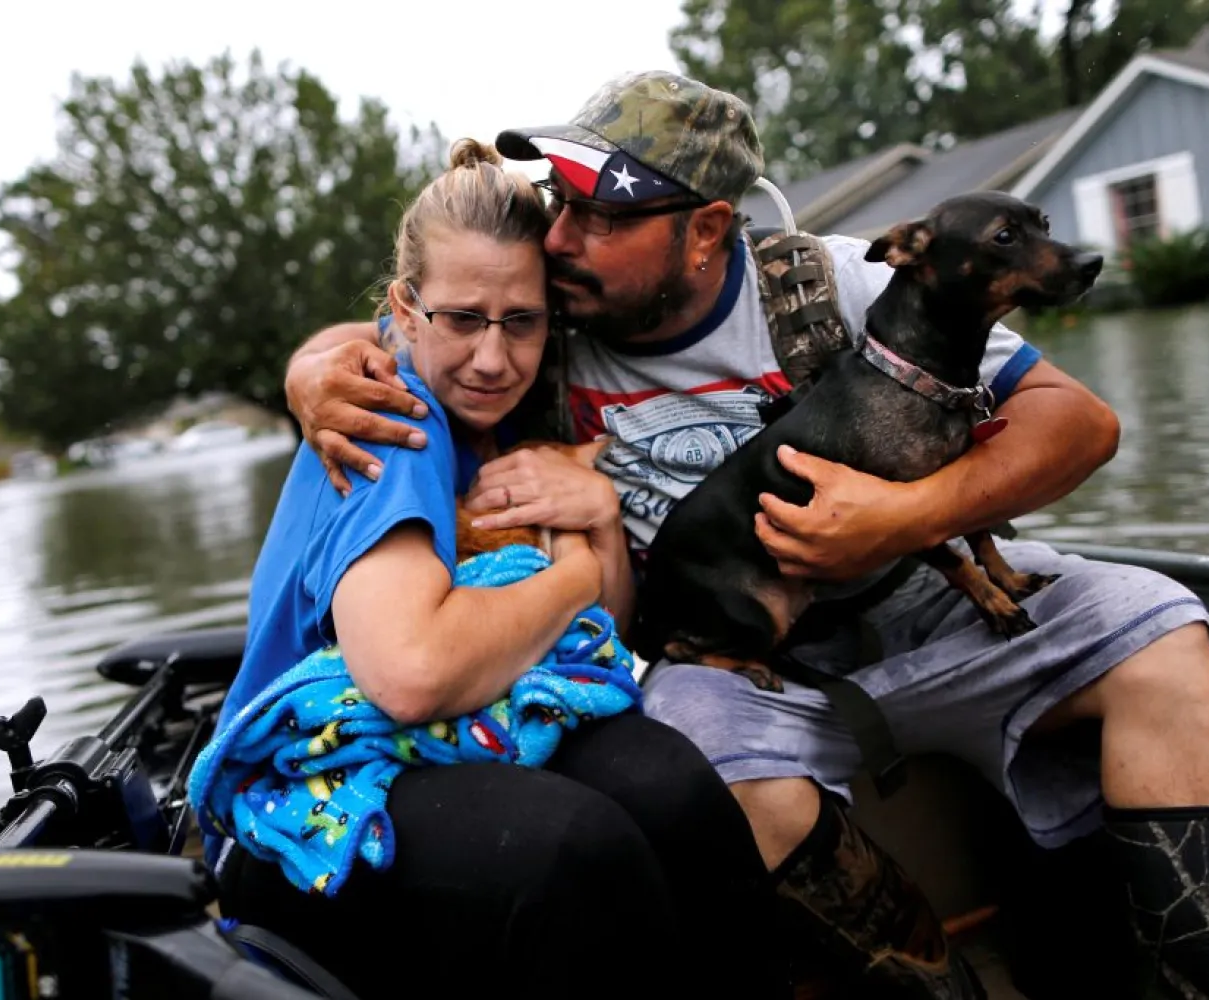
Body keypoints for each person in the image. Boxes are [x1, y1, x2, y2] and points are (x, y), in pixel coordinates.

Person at [281, 74, 1209, 999]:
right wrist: (312, 377)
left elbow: (1080, 423)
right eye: (562, 201)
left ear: (707, 228)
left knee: (1165, 638)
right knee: (688, 761)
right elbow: (395, 331)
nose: (561, 239)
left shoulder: (843, 285)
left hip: (945, 608)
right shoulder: (540, 320)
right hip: (742, 657)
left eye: (604, 214)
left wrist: (903, 518)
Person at [210, 137, 788, 1000]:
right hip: (310, 793)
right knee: (573, 850)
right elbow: (410, 674)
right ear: (406, 312)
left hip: (469, 724)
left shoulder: (521, 413)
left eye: (521, 321)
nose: (492, 356)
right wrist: (575, 578)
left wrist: (596, 517)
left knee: (675, 791)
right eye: (463, 320)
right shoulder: (390, 417)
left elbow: (609, 635)